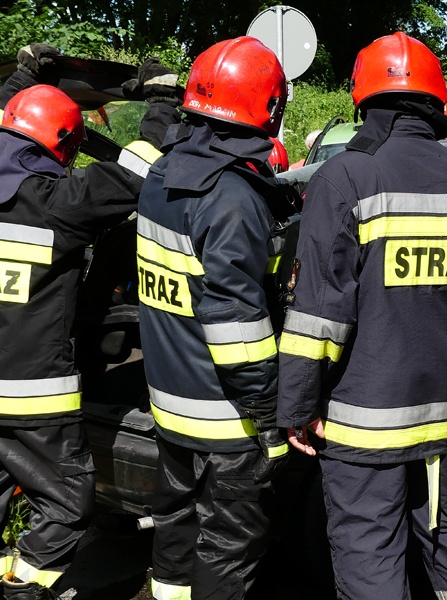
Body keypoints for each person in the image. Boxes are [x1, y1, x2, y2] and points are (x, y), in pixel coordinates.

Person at [278, 31, 447, 599]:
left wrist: (297, 406)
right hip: (442, 414)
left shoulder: (346, 177)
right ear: (436, 101)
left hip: (362, 420)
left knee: (369, 548)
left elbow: (317, 317)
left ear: (363, 98)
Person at [0, 45, 180, 599]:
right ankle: (22, 586)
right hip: (32, 396)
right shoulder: (57, 199)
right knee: (68, 500)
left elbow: (11, 129)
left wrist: (26, 76)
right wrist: (164, 99)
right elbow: (137, 172)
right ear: (61, 146)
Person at [136, 37, 294, 600]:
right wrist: (269, 414)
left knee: (176, 528)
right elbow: (235, 324)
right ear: (269, 107)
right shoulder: (232, 198)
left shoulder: (163, 175)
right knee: (229, 544)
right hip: (227, 417)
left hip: (170, 401)